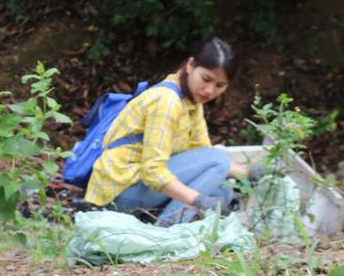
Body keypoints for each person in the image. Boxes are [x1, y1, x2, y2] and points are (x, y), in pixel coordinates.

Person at [83, 37, 265, 226]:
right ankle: (164, 233)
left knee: (222, 191)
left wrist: (248, 172)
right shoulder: (167, 101)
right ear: (190, 65)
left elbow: (201, 155)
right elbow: (152, 172)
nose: (210, 90)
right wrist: (197, 201)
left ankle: (153, 220)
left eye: (220, 85)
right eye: (206, 79)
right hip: (120, 192)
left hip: (140, 189)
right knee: (217, 163)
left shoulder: (192, 101)